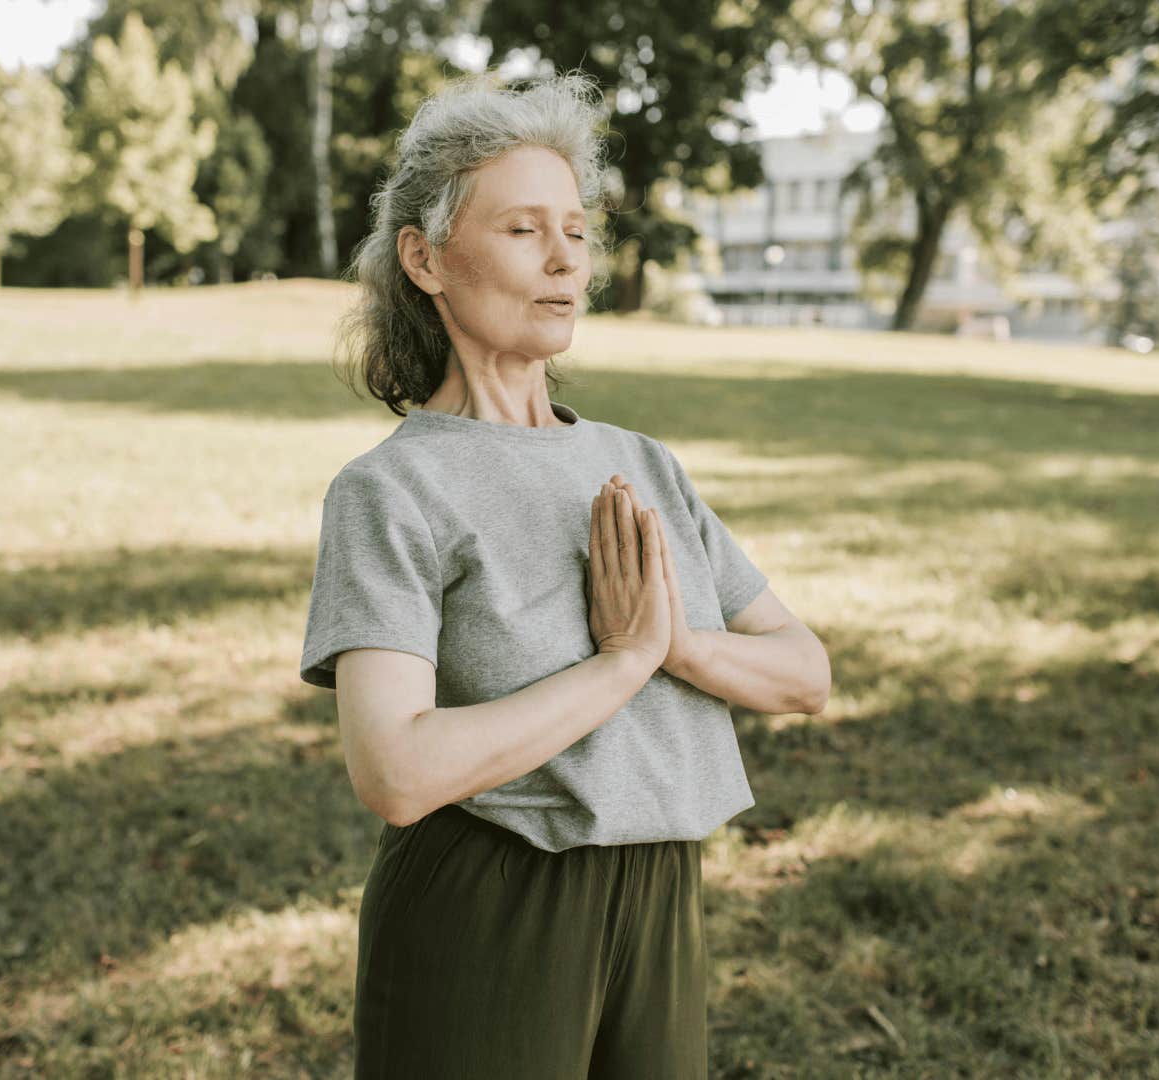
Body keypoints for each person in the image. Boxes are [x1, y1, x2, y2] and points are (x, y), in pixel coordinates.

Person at [298, 71, 831, 1078]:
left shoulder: (643, 463)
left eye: (577, 232)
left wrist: (678, 643)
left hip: (662, 896)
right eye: (522, 230)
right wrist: (623, 666)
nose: (564, 261)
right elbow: (395, 772)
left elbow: (805, 673)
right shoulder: (394, 490)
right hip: (489, 908)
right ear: (425, 258)